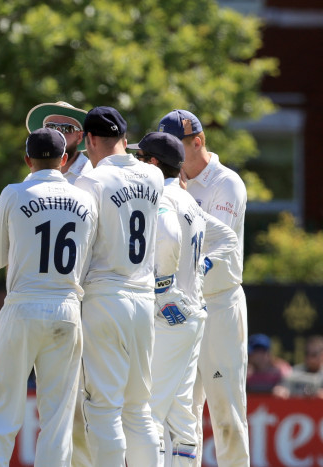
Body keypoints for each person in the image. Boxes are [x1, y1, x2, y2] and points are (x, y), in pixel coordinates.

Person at [0, 128, 97, 466]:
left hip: (23, 305)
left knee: (0, 410)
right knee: (57, 420)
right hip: (67, 307)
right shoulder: (86, 199)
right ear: (63, 160)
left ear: (27, 159)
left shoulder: (14, 193)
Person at [132, 132, 238, 465]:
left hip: (169, 316)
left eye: (140, 158)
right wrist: (201, 266)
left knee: (148, 412)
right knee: (180, 414)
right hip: (194, 315)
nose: (135, 163)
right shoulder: (187, 198)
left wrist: (164, 288)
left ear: (152, 162)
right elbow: (227, 237)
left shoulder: (160, 197)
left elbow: (166, 234)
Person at [73, 106, 164, 465]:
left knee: (104, 409)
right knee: (139, 408)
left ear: (91, 139)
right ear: (125, 139)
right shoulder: (154, 177)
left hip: (104, 296)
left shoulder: (91, 180)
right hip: (143, 298)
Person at [158, 109, 249, 466]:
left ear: (197, 142)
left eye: (176, 146)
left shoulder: (226, 183)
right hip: (182, 307)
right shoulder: (169, 180)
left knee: (226, 410)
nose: (171, 154)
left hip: (218, 303)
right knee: (182, 410)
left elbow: (212, 247)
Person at [25, 100, 93, 466]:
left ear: (81, 136)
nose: (59, 136)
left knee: (83, 405)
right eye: (52, 128)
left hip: (85, 299)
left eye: (67, 129)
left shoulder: (94, 176)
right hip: (42, 302)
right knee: (53, 405)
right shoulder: (32, 178)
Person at [26, 101, 92, 183]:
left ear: (79, 137)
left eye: (67, 128)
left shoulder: (91, 176)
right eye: (50, 127)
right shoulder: (30, 179)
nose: (57, 133)